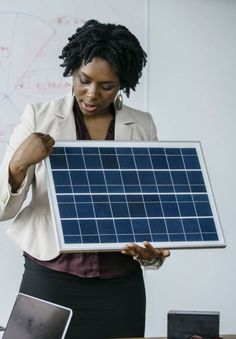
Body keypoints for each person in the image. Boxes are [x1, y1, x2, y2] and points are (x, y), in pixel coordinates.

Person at [0, 19, 170, 339]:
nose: (92, 94)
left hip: (120, 285)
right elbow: (2, 210)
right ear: (73, 69)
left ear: (123, 83)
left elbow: (149, 208)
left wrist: (153, 252)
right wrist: (18, 164)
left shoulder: (142, 125)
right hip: (51, 276)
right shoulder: (39, 117)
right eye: (84, 80)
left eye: (107, 86)